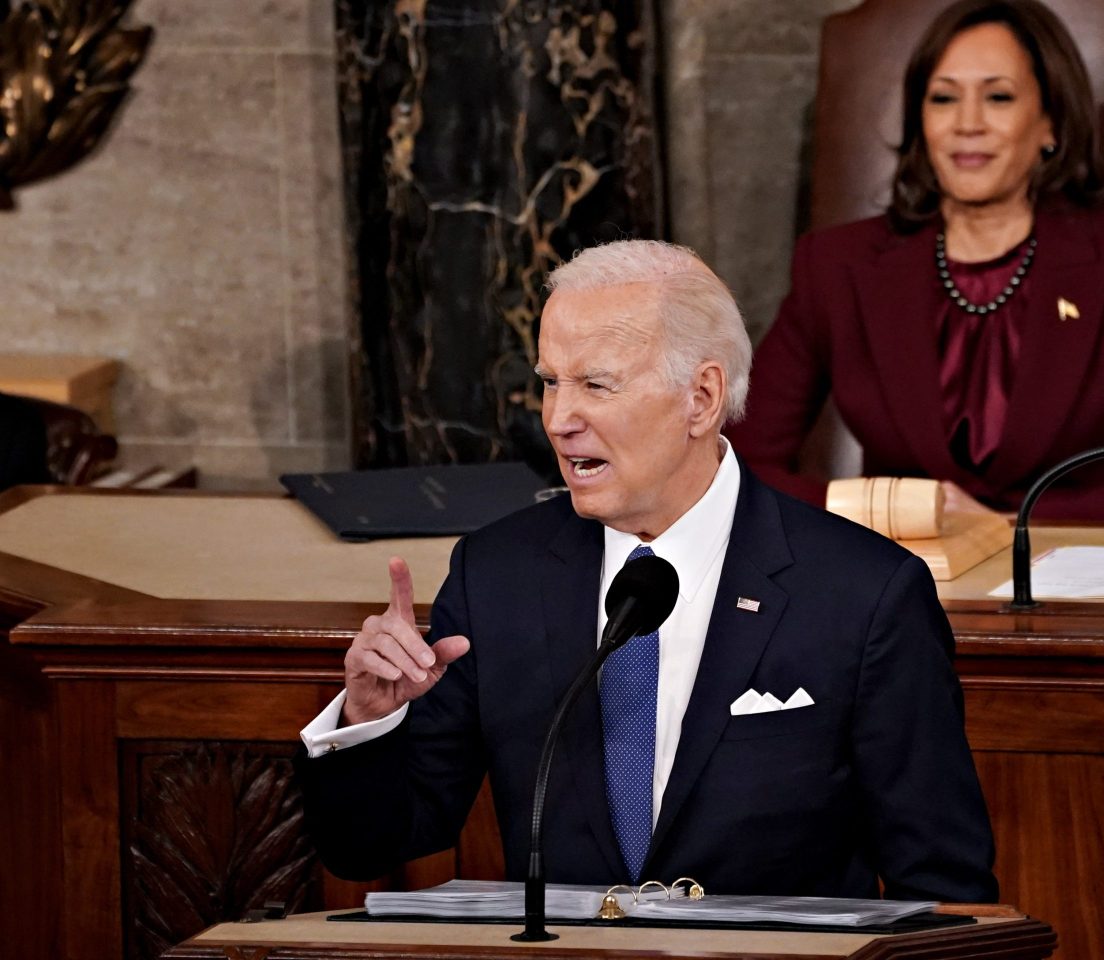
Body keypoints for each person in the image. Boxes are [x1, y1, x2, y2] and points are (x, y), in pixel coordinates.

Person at [295, 240, 998, 903]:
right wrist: (367, 720)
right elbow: (374, 845)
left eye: (597, 385)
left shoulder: (863, 594)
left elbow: (941, 883)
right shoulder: (496, 576)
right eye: (550, 384)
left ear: (701, 398)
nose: (560, 419)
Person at [729, 0, 1104, 521]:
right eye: (943, 99)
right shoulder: (839, 268)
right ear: (920, 122)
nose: (967, 124)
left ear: (1051, 125)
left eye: (998, 97)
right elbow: (735, 466)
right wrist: (879, 513)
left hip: (1069, 580)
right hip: (902, 576)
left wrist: (1010, 526)